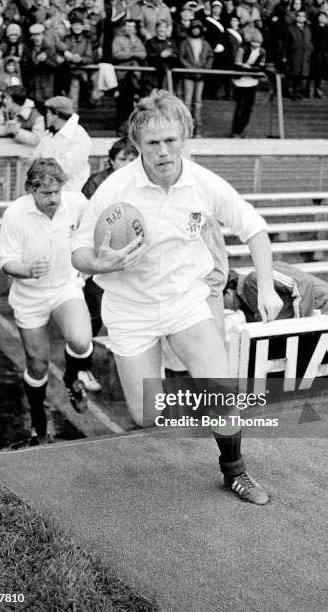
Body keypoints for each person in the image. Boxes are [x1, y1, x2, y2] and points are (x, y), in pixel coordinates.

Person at [71, 90, 283, 505]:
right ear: (137, 145)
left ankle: (235, 471)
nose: (164, 151)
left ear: (184, 136)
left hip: (186, 300)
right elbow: (78, 252)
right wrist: (104, 263)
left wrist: (269, 284)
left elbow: (255, 228)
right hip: (130, 308)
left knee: (223, 393)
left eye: (171, 140)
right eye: (153, 143)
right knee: (146, 414)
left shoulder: (202, 182)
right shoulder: (115, 188)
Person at [0, 158, 94, 446]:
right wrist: (26, 270)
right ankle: (38, 422)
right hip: (29, 296)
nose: (53, 199)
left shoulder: (77, 203)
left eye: (57, 192)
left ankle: (72, 380)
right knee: (38, 365)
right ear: (31, 190)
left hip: (65, 287)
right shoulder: (15, 214)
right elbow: (6, 261)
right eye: (45, 193)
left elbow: (98, 228)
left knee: (80, 339)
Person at [81, 137, 138, 391]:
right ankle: (83, 365)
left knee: (128, 313)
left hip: (129, 256)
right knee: (94, 311)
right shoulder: (96, 183)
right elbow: (88, 221)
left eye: (131, 158)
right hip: (101, 256)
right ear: (111, 160)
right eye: (122, 158)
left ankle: (129, 370)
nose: (127, 163)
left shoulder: (139, 182)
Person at [34, 96, 91, 191]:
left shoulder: (79, 136)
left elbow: (68, 168)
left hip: (71, 193)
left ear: (56, 114)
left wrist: (39, 162)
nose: (46, 115)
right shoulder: (49, 134)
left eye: (48, 112)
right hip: (48, 192)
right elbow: (39, 152)